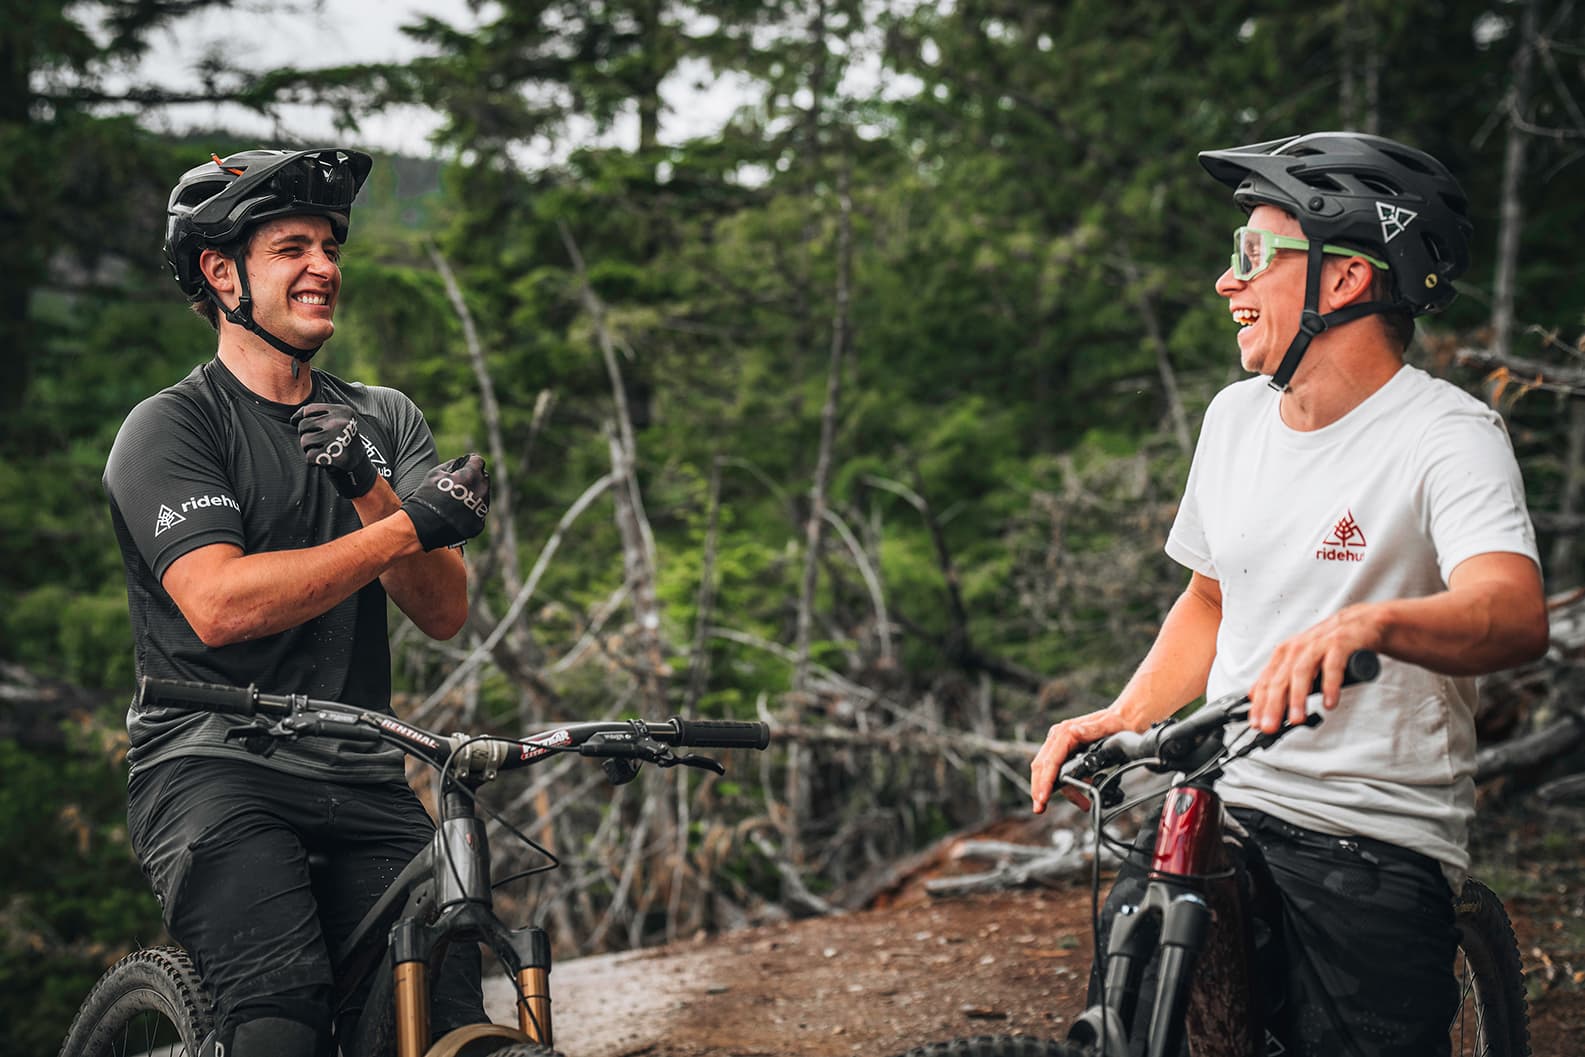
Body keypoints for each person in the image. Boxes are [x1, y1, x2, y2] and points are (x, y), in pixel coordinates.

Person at [1029, 132, 1549, 1057]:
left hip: (1370, 832)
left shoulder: (1447, 435)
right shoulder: (1234, 418)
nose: (1227, 282)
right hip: (1223, 795)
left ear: (1345, 280)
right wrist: (1123, 714)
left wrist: (1368, 622)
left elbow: (1510, 613)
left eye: (1252, 255)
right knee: (1136, 1014)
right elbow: (1209, 600)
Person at [103, 148, 494, 1057]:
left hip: (361, 769)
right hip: (211, 768)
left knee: (442, 1017)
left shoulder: (383, 417)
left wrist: (370, 488)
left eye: (329, 245)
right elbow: (219, 605)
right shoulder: (173, 426)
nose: (324, 266)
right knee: (279, 1024)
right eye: (292, 246)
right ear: (220, 272)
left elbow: (443, 611)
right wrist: (406, 526)